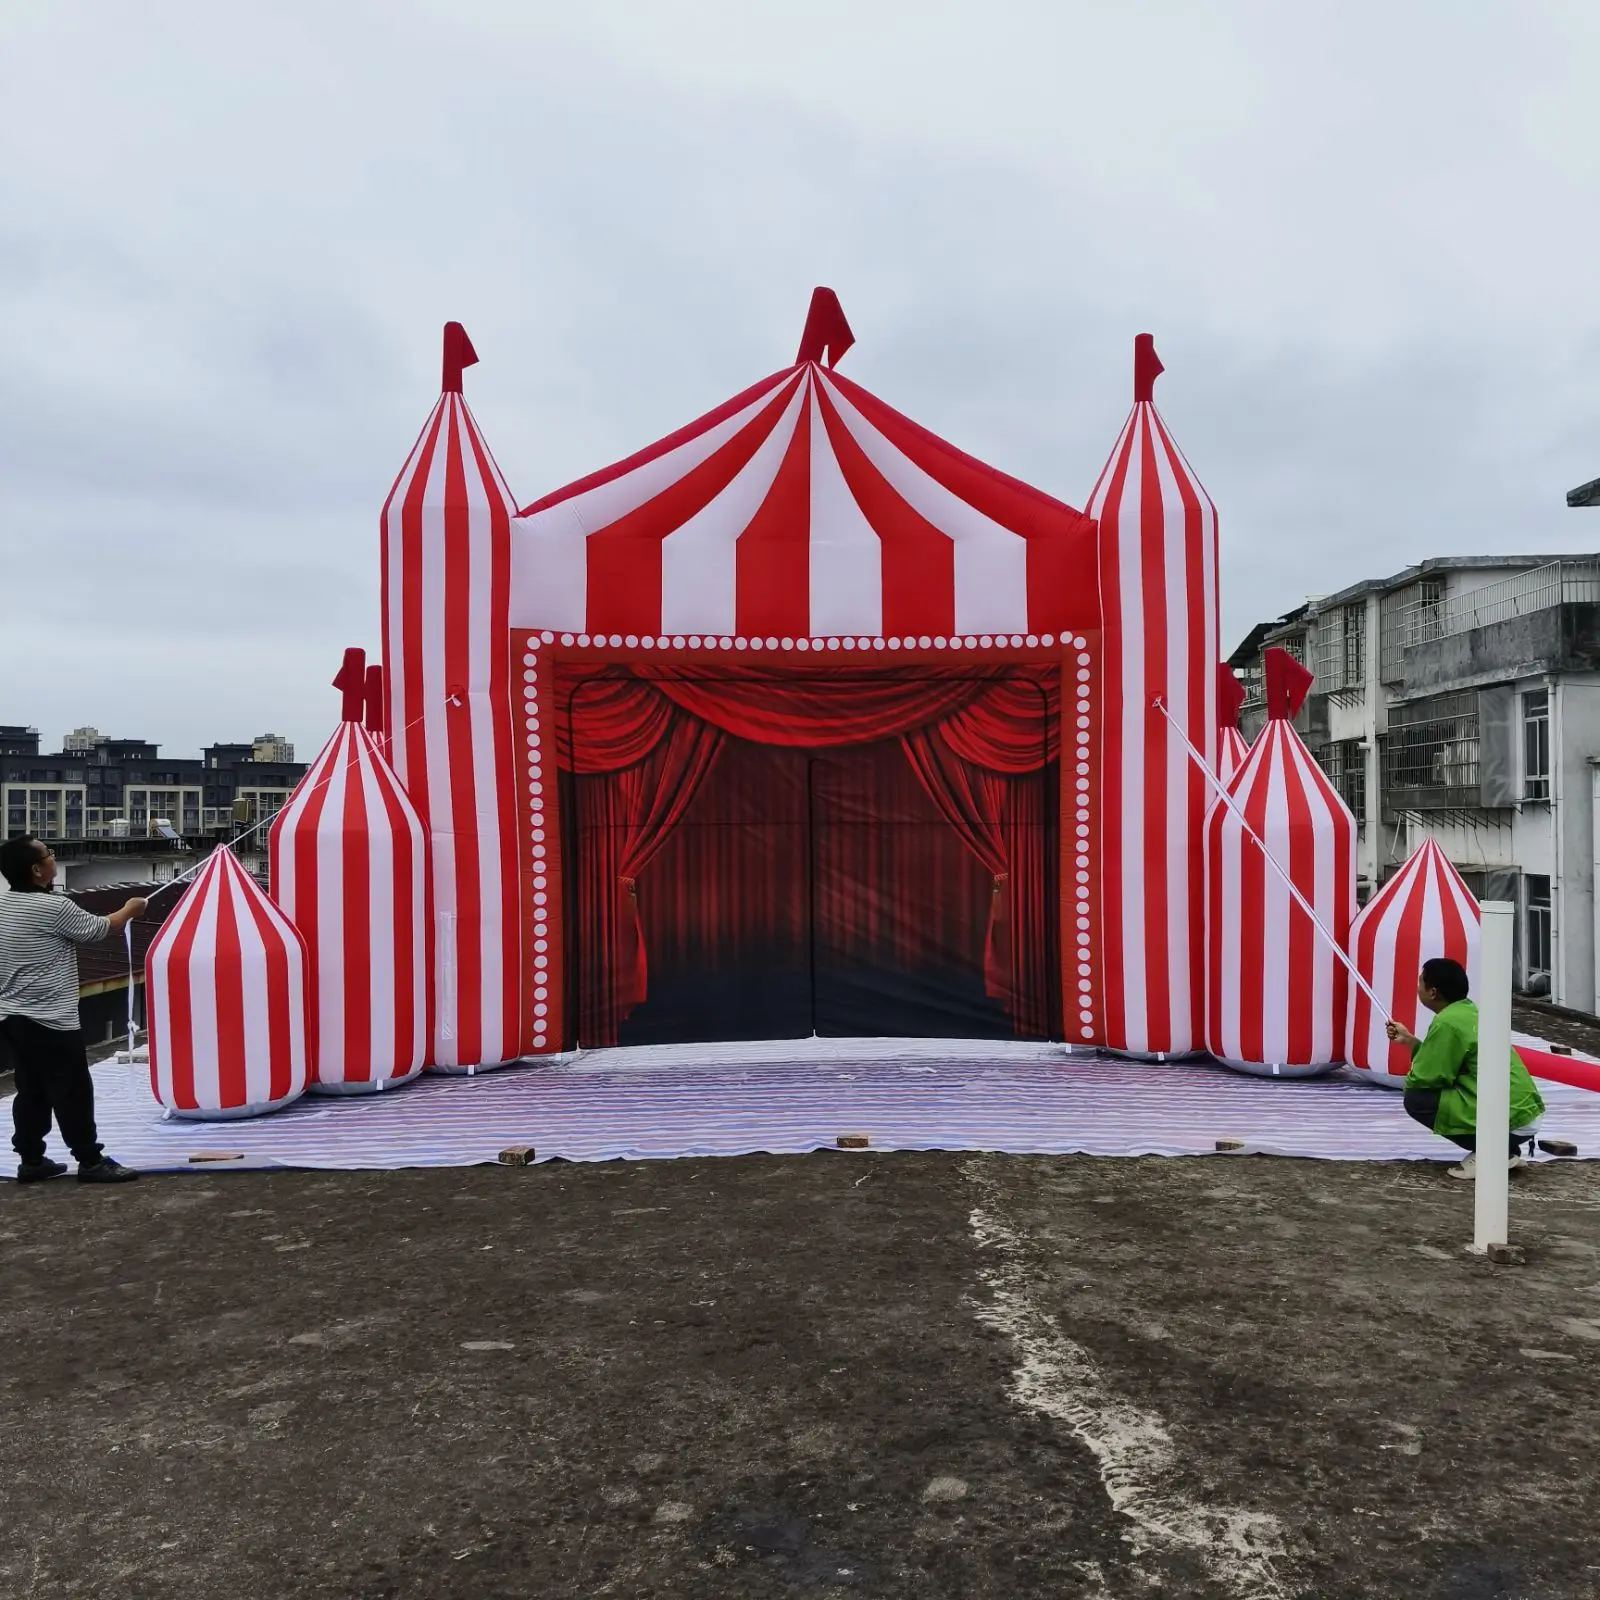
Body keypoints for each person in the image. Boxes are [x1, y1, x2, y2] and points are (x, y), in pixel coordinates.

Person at [0, 835, 146, 1183]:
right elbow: (98, 930)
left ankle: (31, 1160)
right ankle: (91, 1161)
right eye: (48, 854)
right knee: (73, 1090)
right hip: (52, 1020)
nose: (53, 858)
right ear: (37, 870)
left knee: (31, 1088)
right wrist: (130, 910)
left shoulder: (5, 905)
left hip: (12, 1017)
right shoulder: (54, 907)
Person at [1386, 956, 1545, 1179]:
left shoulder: (1447, 1023)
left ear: (1432, 992)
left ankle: (1493, 1152)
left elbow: (1427, 1077)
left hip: (1509, 1118)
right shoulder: (1469, 1011)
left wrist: (1413, 1070)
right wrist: (1410, 1041)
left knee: (1417, 1098)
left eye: (1420, 981)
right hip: (1523, 1113)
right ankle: (1507, 1150)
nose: (1417, 987)